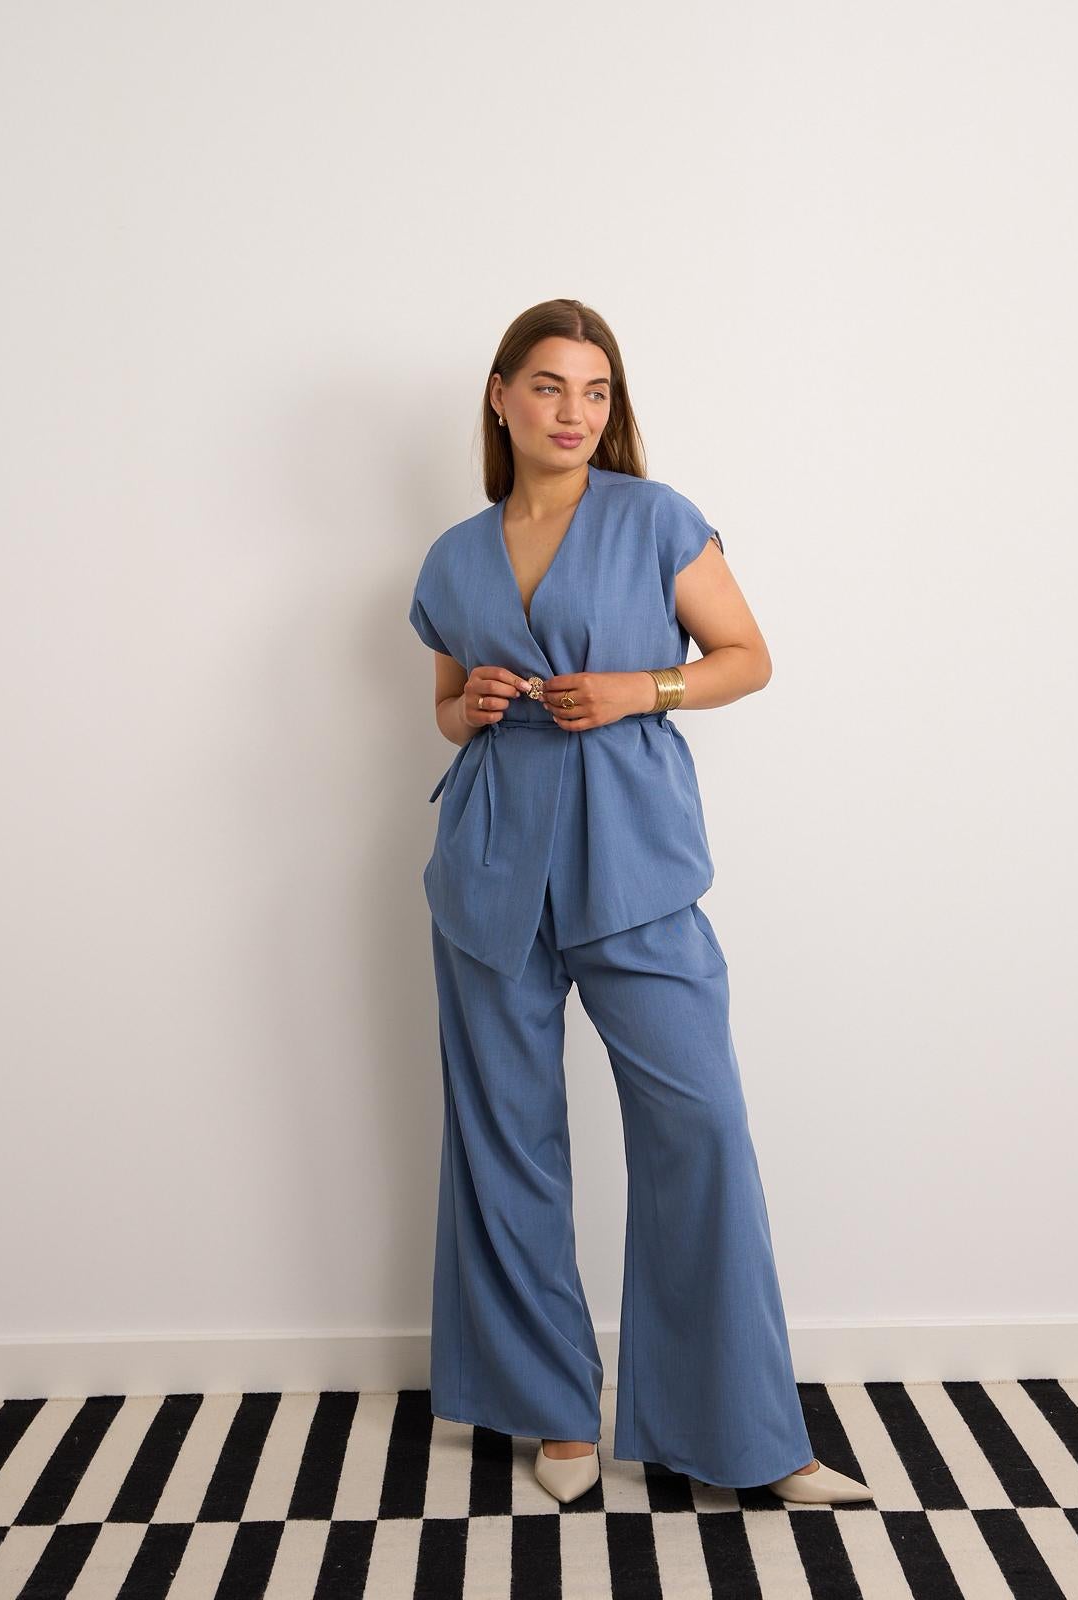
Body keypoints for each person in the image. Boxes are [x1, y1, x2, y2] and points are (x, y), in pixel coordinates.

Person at [407, 298, 872, 1507]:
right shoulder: (452, 556)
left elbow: (745, 656)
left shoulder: (655, 516)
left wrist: (638, 690)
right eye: (548, 385)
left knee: (698, 1125)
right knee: (505, 1140)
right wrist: (474, 704)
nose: (573, 411)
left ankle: (745, 1436)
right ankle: (554, 1411)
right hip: (489, 870)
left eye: (595, 390)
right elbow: (446, 707)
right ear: (500, 397)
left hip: (634, 864)